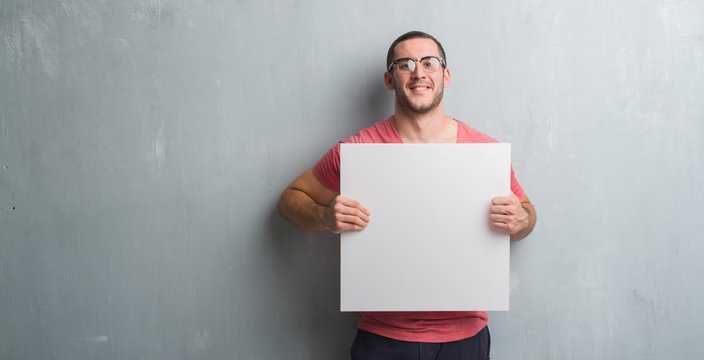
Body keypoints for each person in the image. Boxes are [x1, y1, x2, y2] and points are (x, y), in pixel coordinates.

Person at [277, 31, 537, 360]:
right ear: (389, 79)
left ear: (446, 75)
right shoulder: (359, 150)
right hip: (383, 338)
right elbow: (289, 200)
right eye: (405, 64)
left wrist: (521, 219)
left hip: (466, 336)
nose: (418, 72)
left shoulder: (483, 151)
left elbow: (527, 215)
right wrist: (325, 217)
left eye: (430, 63)